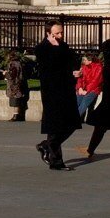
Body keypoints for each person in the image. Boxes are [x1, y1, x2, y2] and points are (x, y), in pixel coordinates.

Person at [34, 23, 81, 170]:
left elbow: (73, 60)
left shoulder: (63, 46)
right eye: (57, 34)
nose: (60, 36)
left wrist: (76, 72)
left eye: (61, 33)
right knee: (54, 126)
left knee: (72, 123)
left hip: (66, 89)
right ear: (49, 33)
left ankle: (46, 146)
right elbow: (50, 68)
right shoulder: (42, 48)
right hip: (52, 92)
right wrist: (55, 48)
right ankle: (56, 161)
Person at [75, 53, 104, 122]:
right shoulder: (84, 67)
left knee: (84, 104)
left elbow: (95, 81)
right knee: (76, 102)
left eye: (84, 60)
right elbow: (80, 79)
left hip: (93, 90)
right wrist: (80, 88)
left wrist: (86, 90)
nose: (83, 61)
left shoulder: (99, 67)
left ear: (90, 61)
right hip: (83, 89)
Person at [4, 51, 28, 122]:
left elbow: (12, 75)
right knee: (17, 100)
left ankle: (16, 116)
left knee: (15, 100)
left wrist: (5, 73)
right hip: (18, 83)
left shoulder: (13, 64)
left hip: (14, 84)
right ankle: (18, 115)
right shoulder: (18, 63)